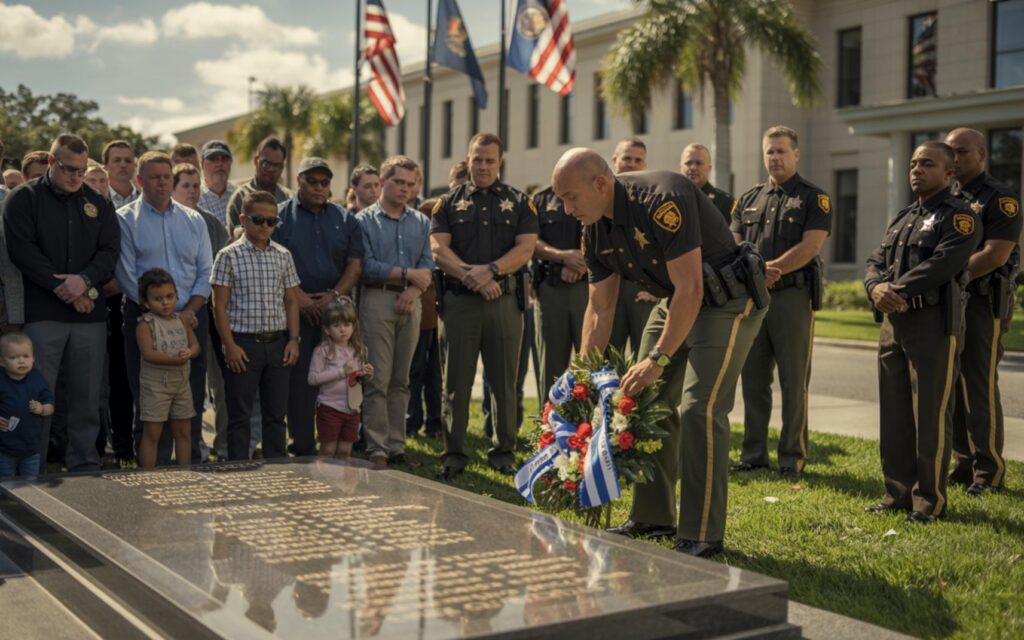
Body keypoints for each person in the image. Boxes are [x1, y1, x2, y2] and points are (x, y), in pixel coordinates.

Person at [552, 148, 767, 557]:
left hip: (725, 299)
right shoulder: (594, 225)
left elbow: (692, 288)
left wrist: (657, 359)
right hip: (678, 300)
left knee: (698, 409)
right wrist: (581, 376)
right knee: (644, 401)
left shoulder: (662, 198)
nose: (566, 209)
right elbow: (600, 309)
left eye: (571, 197)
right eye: (561, 199)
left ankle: (701, 533)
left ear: (600, 183)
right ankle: (653, 518)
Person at [863, 141, 980, 524]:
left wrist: (893, 290)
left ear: (949, 173)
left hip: (932, 324)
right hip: (892, 326)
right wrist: (874, 287)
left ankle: (928, 501)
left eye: (926, 163)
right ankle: (896, 493)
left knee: (930, 415)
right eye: (913, 163)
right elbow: (875, 261)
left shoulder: (960, 216)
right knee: (895, 414)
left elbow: (945, 263)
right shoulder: (902, 217)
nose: (916, 169)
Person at [4, 133, 120, 473]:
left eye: (82, 171)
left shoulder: (98, 203)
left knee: (86, 398)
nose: (76, 178)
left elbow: (110, 252)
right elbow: (23, 251)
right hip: (43, 314)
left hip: (89, 316)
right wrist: (66, 288)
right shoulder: (23, 199)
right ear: (53, 163)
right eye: (70, 170)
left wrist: (82, 281)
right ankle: (31, 466)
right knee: (37, 396)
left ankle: (83, 462)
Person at [430, 133, 538, 478]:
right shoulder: (447, 203)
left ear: (500, 162)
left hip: (503, 303)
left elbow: (525, 250)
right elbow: (437, 250)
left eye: (490, 160)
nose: (483, 166)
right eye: (477, 159)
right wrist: (471, 277)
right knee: (456, 382)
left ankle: (503, 451)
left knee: (504, 381)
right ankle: (454, 454)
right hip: (461, 303)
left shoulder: (520, 202)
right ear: (468, 158)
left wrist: (490, 271)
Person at [731, 126, 831, 481]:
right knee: (753, 379)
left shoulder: (813, 198)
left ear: (796, 154)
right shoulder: (747, 199)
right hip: (754, 300)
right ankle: (754, 453)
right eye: (769, 152)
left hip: (792, 297)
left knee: (793, 380)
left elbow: (811, 246)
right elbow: (735, 243)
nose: (774, 158)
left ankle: (792, 458)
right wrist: (755, 270)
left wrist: (772, 268)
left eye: (781, 151)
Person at [116, 151, 212, 465]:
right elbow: (126, 274)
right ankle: (151, 474)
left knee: (190, 397)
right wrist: (161, 315)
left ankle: (190, 466)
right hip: (144, 320)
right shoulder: (125, 219)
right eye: (154, 177)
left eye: (166, 176)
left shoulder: (194, 219)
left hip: (191, 316)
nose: (162, 182)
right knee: (148, 399)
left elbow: (205, 271)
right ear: (140, 180)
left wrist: (187, 312)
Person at [943, 128, 1022, 496]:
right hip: (949, 300)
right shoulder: (948, 196)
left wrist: (950, 275)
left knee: (978, 384)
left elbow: (996, 253)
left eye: (961, 152)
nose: (954, 159)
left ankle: (988, 470)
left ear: (981, 155)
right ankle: (964, 462)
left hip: (981, 302)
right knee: (952, 382)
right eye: (950, 152)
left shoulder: (1000, 199)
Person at [273, 157, 363, 457]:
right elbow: (273, 257)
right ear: (298, 181)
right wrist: (297, 295)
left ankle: (336, 445)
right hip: (293, 309)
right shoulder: (281, 216)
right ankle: (302, 447)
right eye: (312, 181)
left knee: (337, 380)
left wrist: (333, 295)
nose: (319, 187)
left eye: (325, 182)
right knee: (300, 385)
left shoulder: (345, 218)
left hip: (333, 312)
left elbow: (354, 263)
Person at [210, 191, 301, 461]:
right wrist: (229, 346)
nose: (265, 226)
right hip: (243, 345)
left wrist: (294, 339)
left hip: (278, 344)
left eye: (271, 221)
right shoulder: (227, 256)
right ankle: (238, 468)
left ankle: (276, 469)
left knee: (276, 416)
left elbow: (292, 301)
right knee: (239, 415)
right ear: (243, 219)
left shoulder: (283, 255)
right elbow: (219, 306)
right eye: (259, 219)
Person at [357, 155, 434, 466]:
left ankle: (397, 445)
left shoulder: (421, 222)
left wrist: (414, 290)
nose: (404, 189)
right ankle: (376, 446)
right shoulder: (364, 221)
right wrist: (406, 275)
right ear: (383, 182)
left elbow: (427, 266)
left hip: (411, 303)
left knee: (402, 379)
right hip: (377, 301)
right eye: (398, 182)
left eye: (410, 184)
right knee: (377, 377)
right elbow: (367, 266)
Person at [172, 162, 231, 459]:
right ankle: (184, 448)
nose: (193, 191)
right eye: (186, 185)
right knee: (176, 386)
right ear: (172, 188)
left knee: (215, 384)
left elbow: (221, 271)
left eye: (196, 185)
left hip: (209, 311)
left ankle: (217, 445)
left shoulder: (211, 223)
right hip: (173, 313)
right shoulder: (165, 220)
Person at [408, 162, 468, 439]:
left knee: (438, 371)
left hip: (448, 300)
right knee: (417, 366)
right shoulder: (431, 209)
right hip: (424, 297)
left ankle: (435, 422)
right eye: (460, 180)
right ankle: (413, 420)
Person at [135, 268, 200, 468]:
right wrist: (174, 359)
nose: (165, 302)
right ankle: (147, 476)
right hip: (156, 387)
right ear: (146, 302)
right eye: (158, 298)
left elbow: (195, 346)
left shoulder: (182, 320)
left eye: (170, 296)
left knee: (183, 431)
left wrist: (189, 353)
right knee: (153, 433)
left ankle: (184, 472)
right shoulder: (145, 325)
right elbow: (148, 354)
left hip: (181, 384)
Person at [531, 184, 586, 401]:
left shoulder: (594, 193)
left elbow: (607, 236)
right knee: (550, 366)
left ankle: (589, 427)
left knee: (591, 363)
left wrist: (581, 263)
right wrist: (563, 256)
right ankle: (549, 428)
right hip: (551, 290)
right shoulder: (541, 199)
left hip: (589, 291)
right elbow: (529, 240)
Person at [608, 137, 659, 356]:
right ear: (615, 159)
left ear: (644, 165)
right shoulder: (598, 195)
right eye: (627, 158)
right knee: (607, 364)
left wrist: (658, 290)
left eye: (638, 160)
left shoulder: (653, 199)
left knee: (645, 360)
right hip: (608, 288)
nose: (631, 163)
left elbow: (665, 249)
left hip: (642, 290)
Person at [307, 299, 373, 459]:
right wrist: (341, 372)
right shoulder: (322, 351)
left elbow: (356, 380)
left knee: (345, 452)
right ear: (327, 330)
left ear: (353, 326)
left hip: (352, 409)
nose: (343, 330)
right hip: (330, 408)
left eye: (347, 325)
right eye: (336, 326)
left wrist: (366, 375)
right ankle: (322, 482)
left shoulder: (358, 350)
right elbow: (313, 378)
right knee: (328, 450)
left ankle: (343, 484)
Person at [0, 333, 54, 479]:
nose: (21, 361)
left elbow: (51, 405)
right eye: (13, 357)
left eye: (26, 356)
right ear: (2, 361)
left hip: (31, 448)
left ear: (33, 358)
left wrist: (42, 409)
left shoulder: (37, 379)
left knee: (31, 487)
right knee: (5, 486)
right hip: (4, 449)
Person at [226, 136, 291, 234]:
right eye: (266, 164)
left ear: (282, 167)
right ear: (256, 161)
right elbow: (235, 237)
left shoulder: (288, 198)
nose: (270, 169)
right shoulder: (240, 198)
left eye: (276, 165)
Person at [680, 144, 736, 223]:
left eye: (698, 163)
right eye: (688, 163)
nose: (693, 168)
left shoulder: (726, 203)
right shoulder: (670, 199)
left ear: (709, 169)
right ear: (681, 168)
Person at [198, 140, 236, 228]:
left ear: (231, 162)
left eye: (224, 159)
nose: (219, 163)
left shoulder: (240, 195)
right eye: (213, 159)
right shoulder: (194, 198)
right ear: (202, 164)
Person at [103, 140, 140, 209]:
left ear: (135, 165)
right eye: (117, 160)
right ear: (105, 166)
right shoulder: (99, 198)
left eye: (128, 160)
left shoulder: (146, 199)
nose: (123, 165)